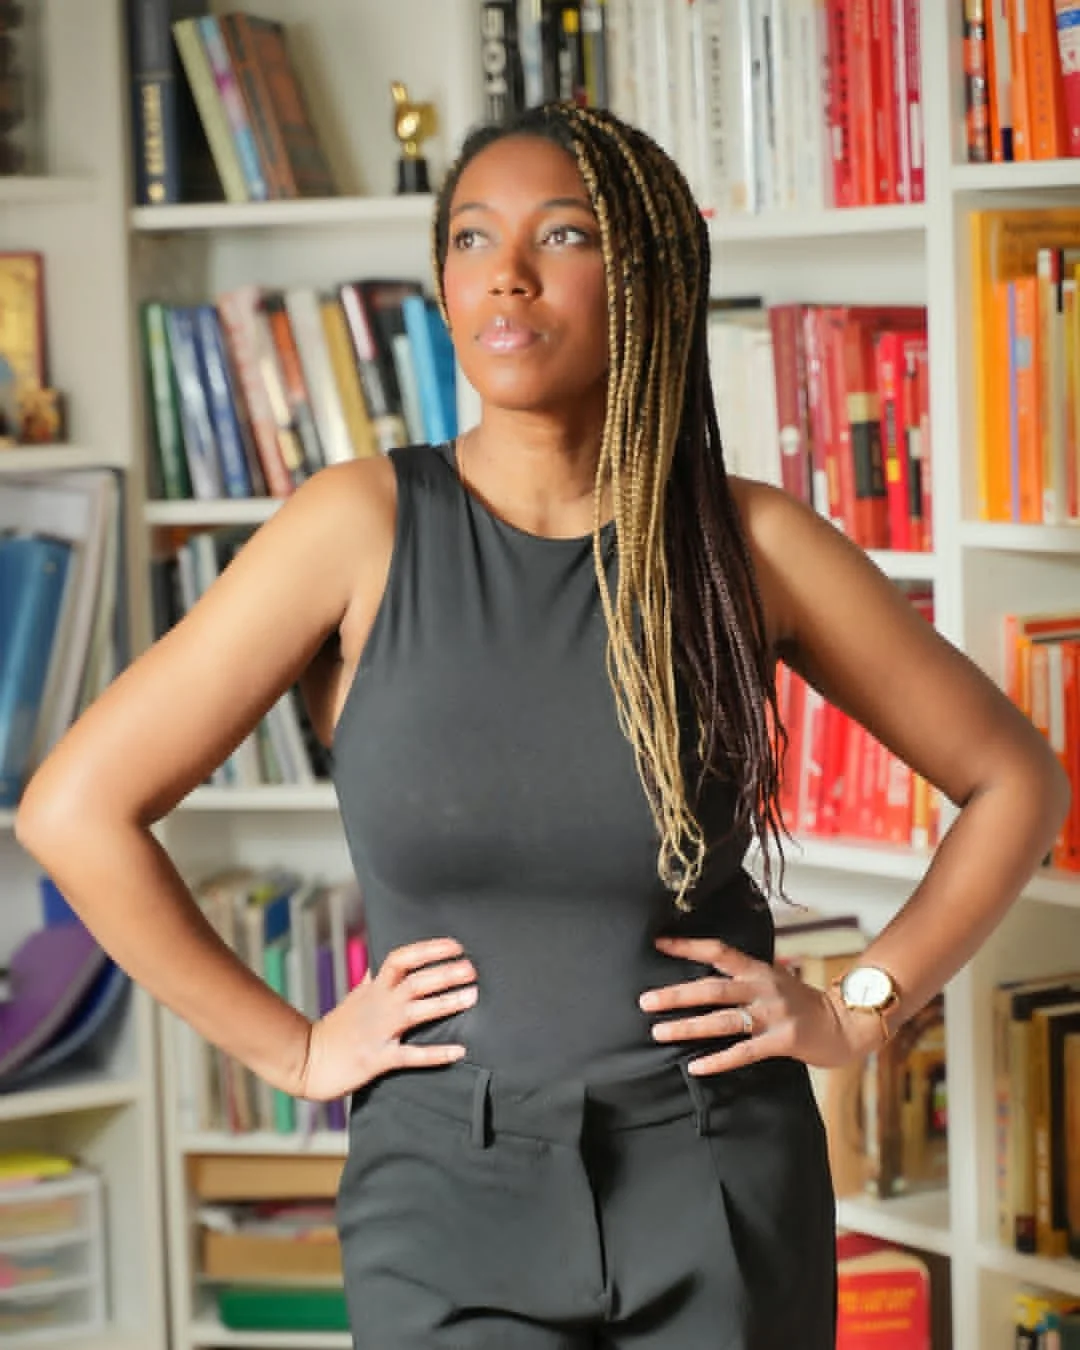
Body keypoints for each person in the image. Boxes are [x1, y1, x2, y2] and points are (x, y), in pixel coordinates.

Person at [15, 103, 1069, 1349]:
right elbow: (73, 811)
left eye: (560, 234)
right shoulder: (357, 528)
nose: (504, 272)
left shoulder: (754, 545)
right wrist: (294, 1049)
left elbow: (1017, 780)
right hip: (446, 1189)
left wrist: (861, 1005)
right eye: (471, 238)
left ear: (650, 276)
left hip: (716, 1168)